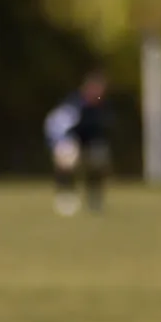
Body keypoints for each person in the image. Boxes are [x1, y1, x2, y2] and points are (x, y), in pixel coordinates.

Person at [44, 73, 112, 215]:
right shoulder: (73, 104)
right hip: (69, 138)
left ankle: (94, 198)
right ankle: (65, 195)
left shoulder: (101, 105)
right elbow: (57, 126)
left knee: (98, 161)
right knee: (67, 159)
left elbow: (100, 130)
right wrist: (56, 144)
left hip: (90, 141)